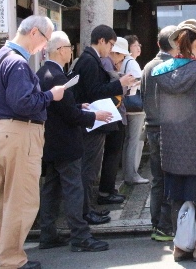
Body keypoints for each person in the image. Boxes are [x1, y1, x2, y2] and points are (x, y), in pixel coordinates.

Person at [0, 16, 65, 269]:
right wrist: (51, 95)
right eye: (45, 39)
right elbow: (24, 103)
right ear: (34, 32)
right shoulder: (19, 64)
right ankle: (11, 261)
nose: (44, 46)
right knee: (21, 201)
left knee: (0, 201)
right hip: (19, 133)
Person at [152, 19, 196, 262]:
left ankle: (179, 246)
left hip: (172, 142)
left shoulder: (160, 72)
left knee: (177, 197)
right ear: (193, 43)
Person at [37, 31, 111, 253]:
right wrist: (92, 116)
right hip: (66, 142)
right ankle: (80, 236)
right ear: (60, 50)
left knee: (51, 189)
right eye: (69, 47)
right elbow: (69, 116)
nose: (71, 50)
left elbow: (60, 109)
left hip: (49, 141)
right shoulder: (58, 77)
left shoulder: (41, 73)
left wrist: (79, 107)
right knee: (73, 189)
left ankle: (47, 233)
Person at [70, 25, 137, 226]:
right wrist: (120, 83)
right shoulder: (90, 61)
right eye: (110, 44)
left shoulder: (89, 59)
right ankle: (85, 211)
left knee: (90, 169)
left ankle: (88, 209)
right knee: (89, 169)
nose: (111, 49)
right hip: (92, 121)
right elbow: (94, 92)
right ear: (101, 41)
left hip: (91, 120)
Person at [141, 26, 178, 242]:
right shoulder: (170, 66)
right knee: (169, 179)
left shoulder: (147, 66)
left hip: (151, 126)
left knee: (157, 179)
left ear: (158, 44)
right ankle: (165, 226)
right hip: (168, 128)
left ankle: (156, 223)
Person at [97, 37, 130, 205]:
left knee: (111, 154)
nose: (122, 60)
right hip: (112, 114)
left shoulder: (104, 63)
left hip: (111, 114)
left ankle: (107, 189)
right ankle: (106, 191)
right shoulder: (107, 63)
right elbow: (113, 88)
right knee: (112, 154)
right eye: (121, 56)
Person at [120, 34, 149, 184]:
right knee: (134, 140)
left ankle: (129, 173)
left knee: (129, 140)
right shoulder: (131, 62)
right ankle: (132, 175)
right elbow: (137, 82)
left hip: (127, 104)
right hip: (135, 105)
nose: (139, 48)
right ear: (128, 48)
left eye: (139, 45)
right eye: (135, 45)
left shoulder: (124, 61)